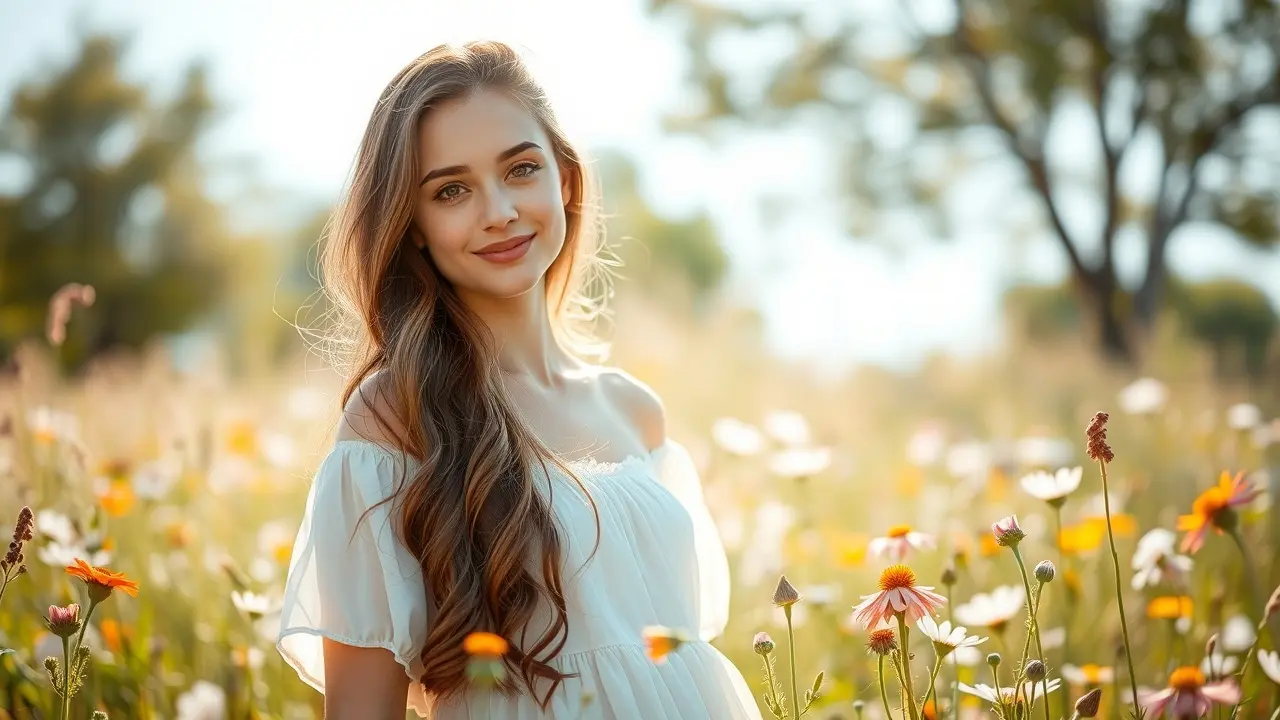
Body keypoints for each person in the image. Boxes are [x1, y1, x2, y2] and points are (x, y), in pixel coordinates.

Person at [274, 41, 762, 719]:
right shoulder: (395, 415)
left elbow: (678, 653)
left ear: (565, 180)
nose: (498, 210)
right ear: (413, 227)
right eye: (451, 190)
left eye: (521, 169)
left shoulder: (635, 410)